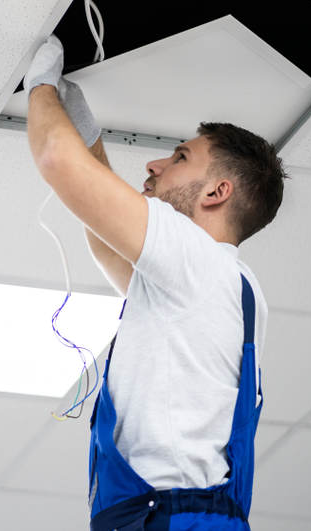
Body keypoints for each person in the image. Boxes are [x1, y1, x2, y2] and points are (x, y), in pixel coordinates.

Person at [24, 35, 287, 531]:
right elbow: (108, 239)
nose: (154, 164)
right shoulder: (214, 284)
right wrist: (82, 128)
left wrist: (38, 88)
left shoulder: (199, 263)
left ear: (216, 192)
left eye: (180, 158)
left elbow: (57, 160)